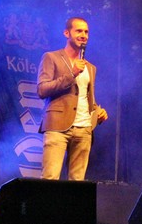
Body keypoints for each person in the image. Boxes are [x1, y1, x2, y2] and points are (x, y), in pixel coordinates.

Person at [37, 17, 108, 180]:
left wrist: (98, 111)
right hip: (57, 127)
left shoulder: (90, 67)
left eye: (86, 32)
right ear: (66, 33)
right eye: (79, 31)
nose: (83, 35)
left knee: (77, 183)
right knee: (50, 179)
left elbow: (85, 96)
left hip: (84, 128)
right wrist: (72, 74)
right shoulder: (51, 57)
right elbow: (42, 90)